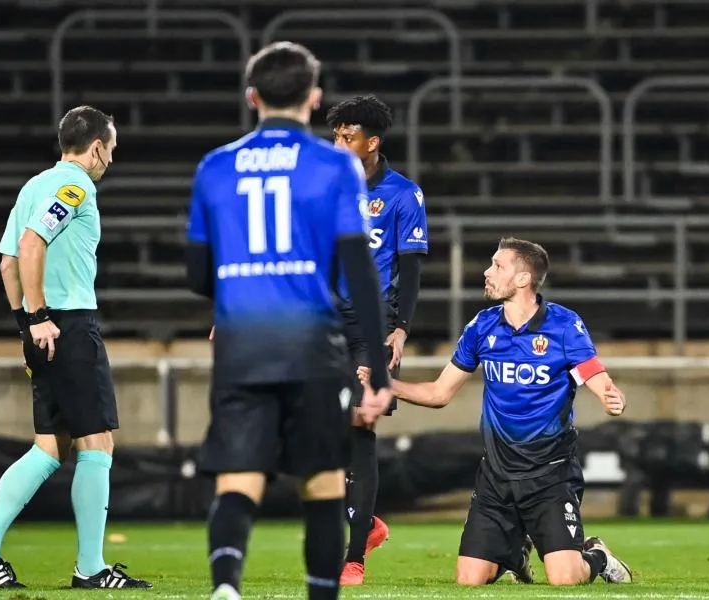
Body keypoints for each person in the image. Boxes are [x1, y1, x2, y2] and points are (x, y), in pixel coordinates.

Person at [185, 42, 394, 600]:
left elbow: (198, 274)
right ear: (314, 97)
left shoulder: (215, 167)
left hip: (242, 343)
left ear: (252, 96)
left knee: (238, 479)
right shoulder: (335, 167)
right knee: (323, 483)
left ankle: (227, 586)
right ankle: (321, 593)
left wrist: (245, 285)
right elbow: (359, 272)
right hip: (311, 345)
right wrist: (379, 370)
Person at [357, 237, 633, 587]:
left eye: (497, 266)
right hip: (496, 477)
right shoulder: (482, 326)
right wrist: (385, 384)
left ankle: (597, 555)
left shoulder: (564, 325)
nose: (487, 272)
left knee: (565, 578)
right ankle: (514, 553)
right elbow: (440, 393)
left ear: (523, 280)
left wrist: (612, 397)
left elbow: (596, 375)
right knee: (469, 580)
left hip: (549, 476)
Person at [0, 105, 152, 589]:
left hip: (40, 325)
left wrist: (25, 322)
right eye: (111, 151)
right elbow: (30, 245)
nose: (110, 160)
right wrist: (43, 316)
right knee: (97, 442)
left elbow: (7, 264)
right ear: (97, 148)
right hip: (66, 323)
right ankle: (90, 568)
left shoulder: (31, 186)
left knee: (51, 445)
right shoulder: (76, 186)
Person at [326, 95, 429, 585]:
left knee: (361, 425)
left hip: (374, 321)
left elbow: (410, 270)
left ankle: (353, 557)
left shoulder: (403, 195)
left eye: (348, 137)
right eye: (336, 135)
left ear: (372, 143)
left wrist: (400, 328)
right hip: (323, 321)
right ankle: (365, 524)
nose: (339, 144)